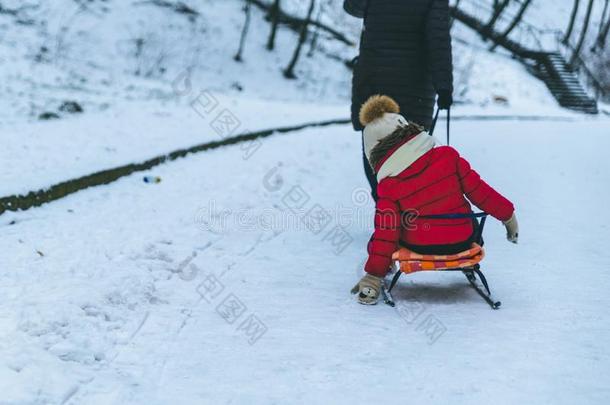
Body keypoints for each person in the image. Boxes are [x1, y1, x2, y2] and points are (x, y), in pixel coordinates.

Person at [351, 95, 519, 305]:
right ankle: (465, 263)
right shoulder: (449, 157)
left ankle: (381, 271)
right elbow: (482, 193)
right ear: (409, 130)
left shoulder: (387, 187)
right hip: (462, 241)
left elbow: (386, 234)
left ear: (373, 152)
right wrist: (508, 218)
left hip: (418, 246)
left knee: (382, 233)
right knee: (467, 217)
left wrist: (372, 276)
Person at [344, 0, 454, 200]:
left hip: (373, 82)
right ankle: (405, 214)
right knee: (413, 155)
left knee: (374, 151)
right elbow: (438, 39)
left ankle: (386, 210)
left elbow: (352, 7)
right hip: (415, 88)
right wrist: (444, 86)